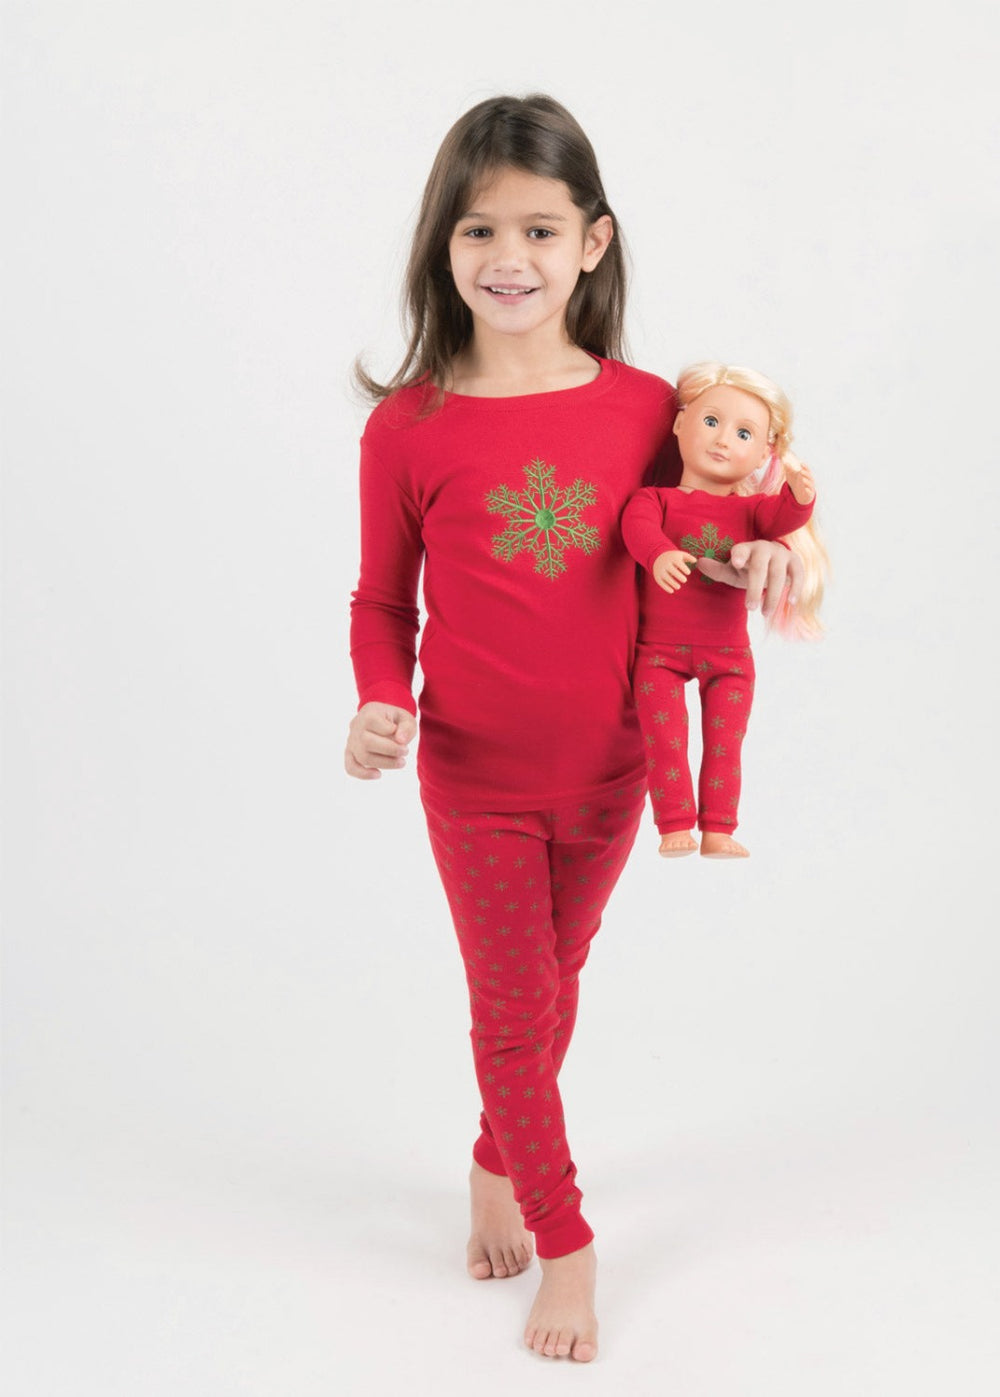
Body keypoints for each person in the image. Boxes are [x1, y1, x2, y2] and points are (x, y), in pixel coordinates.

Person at [343, 95, 803, 1363]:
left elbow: (723, 527)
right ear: (443, 243)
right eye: (480, 228)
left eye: (540, 229)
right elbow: (382, 602)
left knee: (552, 991)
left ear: (593, 242)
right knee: (511, 1013)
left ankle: (498, 1155)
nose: (510, 257)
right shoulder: (408, 427)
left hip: (614, 769)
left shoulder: (652, 410)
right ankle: (569, 1239)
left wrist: (766, 560)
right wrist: (381, 699)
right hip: (473, 777)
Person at [621, 363, 828, 860]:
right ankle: (674, 825)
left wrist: (801, 495)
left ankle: (718, 828)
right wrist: (659, 554)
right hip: (658, 652)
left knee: (725, 744)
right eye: (711, 421)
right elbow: (636, 526)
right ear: (680, 423)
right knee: (666, 741)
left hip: (729, 656)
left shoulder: (751, 511)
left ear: (763, 453)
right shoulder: (658, 500)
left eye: (744, 433)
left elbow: (783, 516)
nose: (722, 440)